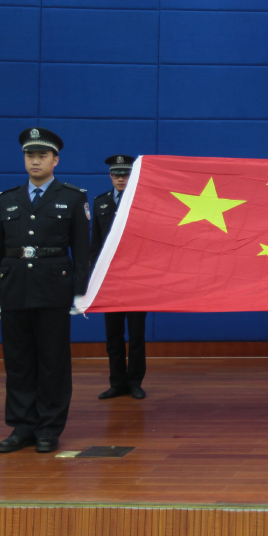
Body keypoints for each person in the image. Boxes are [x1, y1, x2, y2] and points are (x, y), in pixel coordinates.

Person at [0, 128, 90, 453]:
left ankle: (49, 428)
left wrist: (82, 290)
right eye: (30, 155)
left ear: (55, 160)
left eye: (42, 156)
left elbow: (81, 249)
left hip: (53, 288)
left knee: (52, 361)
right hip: (14, 287)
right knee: (18, 361)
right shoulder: (7, 199)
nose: (35, 161)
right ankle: (22, 427)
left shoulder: (73, 197)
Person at [92, 155, 148, 400]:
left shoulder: (142, 202)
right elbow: (95, 244)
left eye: (125, 174)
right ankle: (117, 382)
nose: (120, 179)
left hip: (136, 279)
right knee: (113, 335)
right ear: (110, 176)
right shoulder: (100, 203)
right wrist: (93, 279)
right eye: (116, 174)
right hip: (110, 281)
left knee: (136, 335)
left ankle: (135, 382)